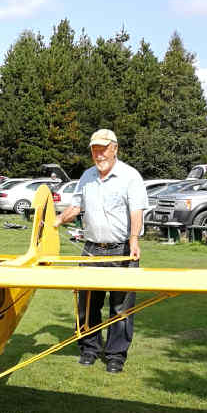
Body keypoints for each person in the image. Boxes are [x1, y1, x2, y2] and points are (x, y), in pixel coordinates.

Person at [53, 128, 148, 374]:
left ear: (114, 148)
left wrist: (134, 239)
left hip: (121, 250)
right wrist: (56, 221)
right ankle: (89, 349)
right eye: (95, 149)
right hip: (91, 250)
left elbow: (136, 211)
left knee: (121, 307)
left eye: (103, 149)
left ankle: (116, 355)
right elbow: (75, 207)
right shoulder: (86, 176)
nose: (99, 154)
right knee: (87, 304)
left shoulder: (130, 176)